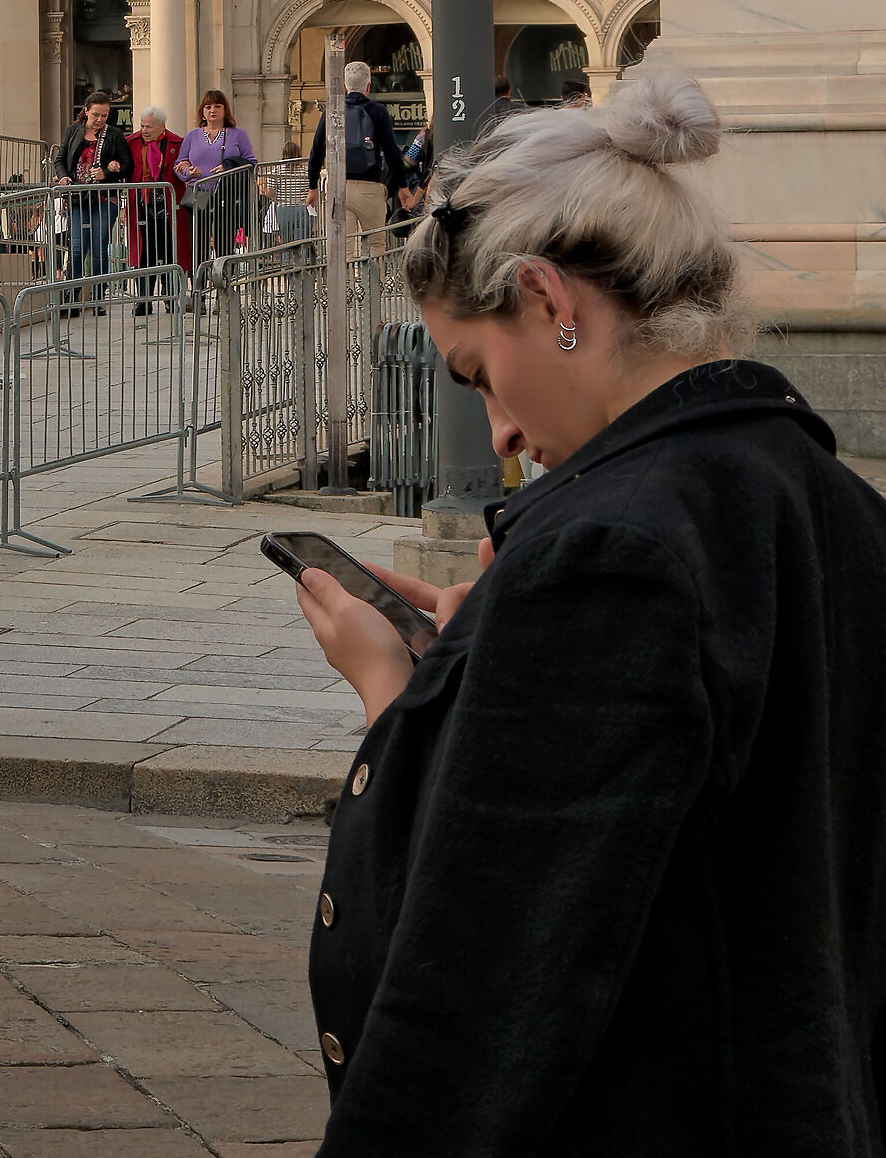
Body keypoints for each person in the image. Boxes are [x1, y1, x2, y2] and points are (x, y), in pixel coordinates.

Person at [287, 70, 886, 1151]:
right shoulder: (831, 499)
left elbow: (490, 974)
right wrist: (483, 668)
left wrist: (396, 697)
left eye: (477, 372)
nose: (500, 433)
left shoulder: (610, 552)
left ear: (550, 301)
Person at [305, 61, 405, 246]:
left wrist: (313, 187)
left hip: (338, 188)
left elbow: (317, 150)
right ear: (369, 85)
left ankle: (347, 277)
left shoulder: (332, 112)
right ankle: (376, 276)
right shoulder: (378, 112)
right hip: (371, 188)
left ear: (345, 86)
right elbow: (392, 152)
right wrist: (403, 186)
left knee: (344, 249)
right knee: (376, 245)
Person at [56, 92, 132, 314]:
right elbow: (60, 159)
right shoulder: (73, 131)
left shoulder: (115, 135)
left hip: (104, 197)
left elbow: (127, 164)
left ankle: (98, 296)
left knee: (100, 247)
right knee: (78, 248)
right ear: (86, 110)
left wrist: (107, 171)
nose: (99, 119)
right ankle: (72, 295)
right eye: (96, 114)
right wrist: (63, 176)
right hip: (78, 197)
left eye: (104, 115)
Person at [175, 89, 256, 268]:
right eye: (208, 106)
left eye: (217, 106)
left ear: (225, 109)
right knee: (198, 244)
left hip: (226, 196)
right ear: (202, 111)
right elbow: (179, 165)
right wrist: (189, 172)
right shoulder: (192, 136)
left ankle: (224, 287)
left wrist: (228, 167)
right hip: (199, 195)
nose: (213, 110)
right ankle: (200, 290)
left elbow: (251, 162)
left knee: (224, 244)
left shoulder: (237, 134)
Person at [127, 106, 192, 315]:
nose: (144, 130)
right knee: (145, 255)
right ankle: (144, 299)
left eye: (149, 127)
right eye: (142, 125)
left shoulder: (177, 143)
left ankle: (171, 297)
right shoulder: (132, 143)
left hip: (170, 208)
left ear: (162, 127)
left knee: (170, 253)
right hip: (142, 206)